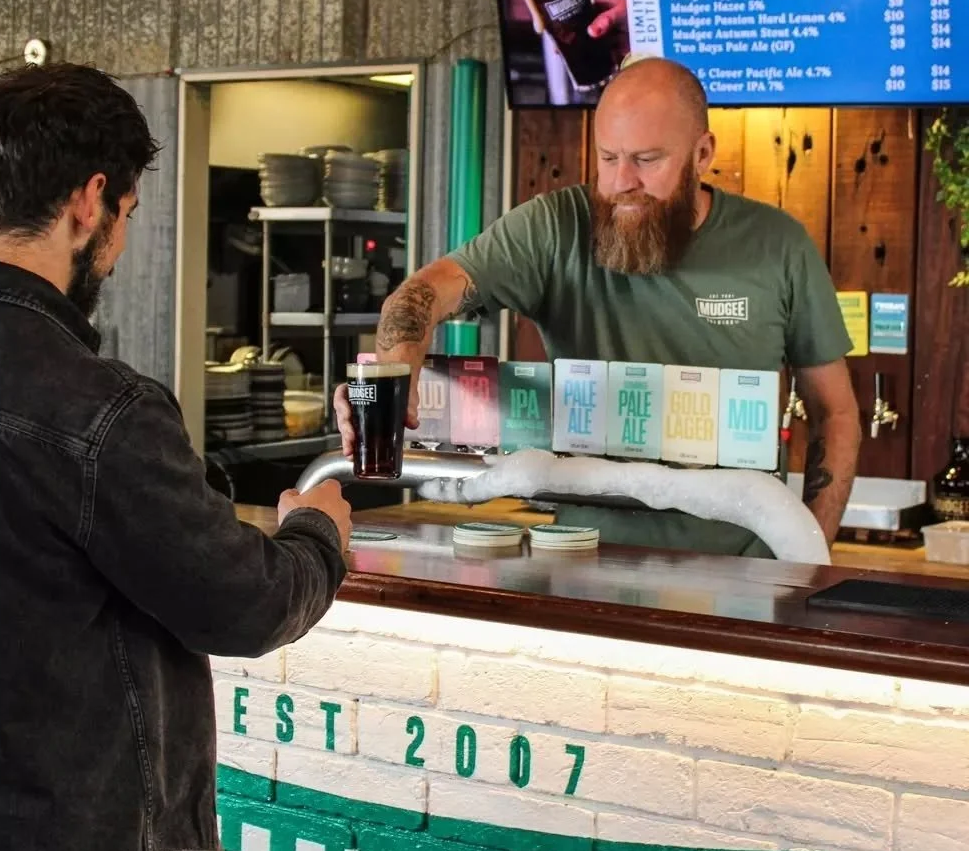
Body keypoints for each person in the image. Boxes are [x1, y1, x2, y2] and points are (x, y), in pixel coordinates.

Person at [0, 63, 351, 851]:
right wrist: (317, 536)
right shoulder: (101, 411)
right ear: (89, 201)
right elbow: (245, 605)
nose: (123, 241)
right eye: (131, 213)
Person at [335, 57, 860, 555]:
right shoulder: (556, 226)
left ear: (702, 154)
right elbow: (423, 294)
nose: (621, 183)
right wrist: (389, 377)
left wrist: (807, 559)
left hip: (747, 568)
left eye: (647, 160)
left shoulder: (778, 245)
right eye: (608, 158)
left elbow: (834, 413)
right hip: (584, 559)